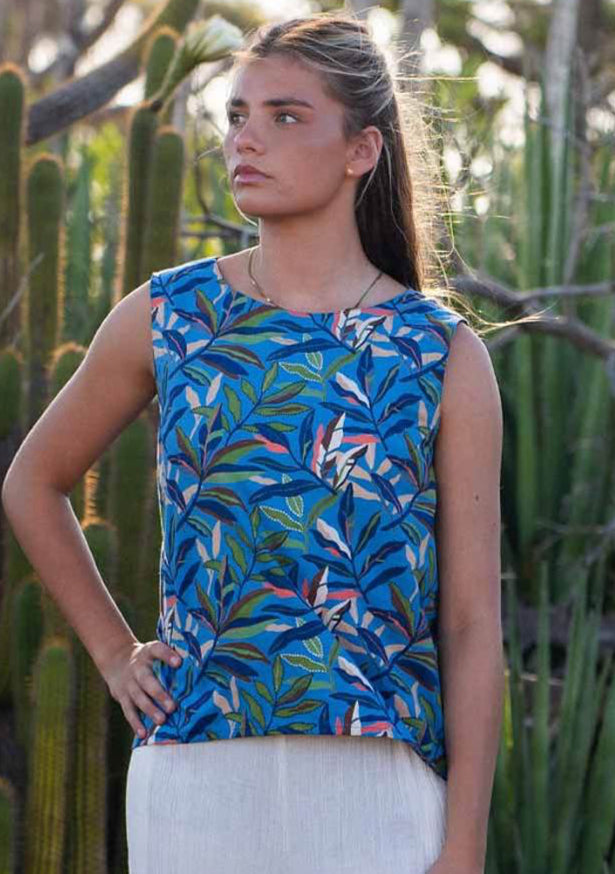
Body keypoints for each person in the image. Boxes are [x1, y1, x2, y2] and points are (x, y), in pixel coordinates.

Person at [1, 11, 505, 874]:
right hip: (195, 773)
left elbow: (467, 623)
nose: (246, 140)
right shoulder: (169, 317)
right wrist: (114, 652)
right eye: (236, 116)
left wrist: (461, 845)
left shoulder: (438, 352)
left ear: (361, 150)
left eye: (285, 116)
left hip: (378, 786)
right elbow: (33, 481)